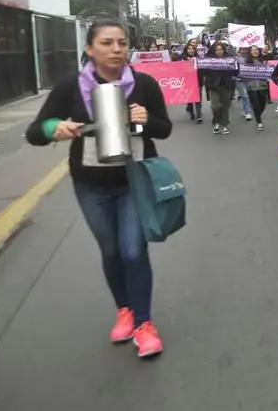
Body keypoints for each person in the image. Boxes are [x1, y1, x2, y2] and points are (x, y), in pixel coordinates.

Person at [24, 18, 172, 357]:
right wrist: (54, 128)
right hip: (91, 184)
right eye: (107, 43)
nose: (116, 49)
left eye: (121, 42)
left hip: (134, 179)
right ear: (89, 49)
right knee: (111, 251)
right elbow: (35, 131)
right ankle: (125, 309)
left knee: (133, 251)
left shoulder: (144, 85)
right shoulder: (70, 87)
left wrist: (147, 120)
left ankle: (144, 323)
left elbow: (164, 130)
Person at [204, 41, 237, 134]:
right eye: (217, 50)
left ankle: (224, 125)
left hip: (226, 86)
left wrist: (235, 65)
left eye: (221, 50)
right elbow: (203, 72)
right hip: (213, 86)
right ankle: (217, 121)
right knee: (215, 106)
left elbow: (235, 73)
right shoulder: (208, 60)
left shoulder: (230, 59)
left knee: (225, 106)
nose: (219, 51)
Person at [241, 45, 271, 131]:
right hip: (251, 86)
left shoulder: (263, 61)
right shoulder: (247, 62)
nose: (255, 51)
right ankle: (259, 121)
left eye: (256, 50)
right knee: (255, 104)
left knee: (263, 104)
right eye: (253, 50)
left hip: (263, 86)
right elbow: (243, 74)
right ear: (250, 52)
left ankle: (258, 114)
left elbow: (269, 72)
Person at [176, 44, 203, 124]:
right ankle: (191, 112)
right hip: (187, 82)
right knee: (190, 99)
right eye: (189, 49)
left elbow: (202, 70)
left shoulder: (199, 59)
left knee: (198, 99)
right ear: (186, 50)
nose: (191, 50)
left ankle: (199, 116)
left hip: (197, 81)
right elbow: (176, 67)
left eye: (193, 49)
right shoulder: (181, 58)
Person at [233, 47, 255, 122]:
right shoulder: (235, 58)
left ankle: (244, 109)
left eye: (245, 49)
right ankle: (248, 112)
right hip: (239, 79)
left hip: (249, 79)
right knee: (245, 95)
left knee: (246, 95)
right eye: (242, 49)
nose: (244, 51)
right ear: (239, 50)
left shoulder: (251, 57)